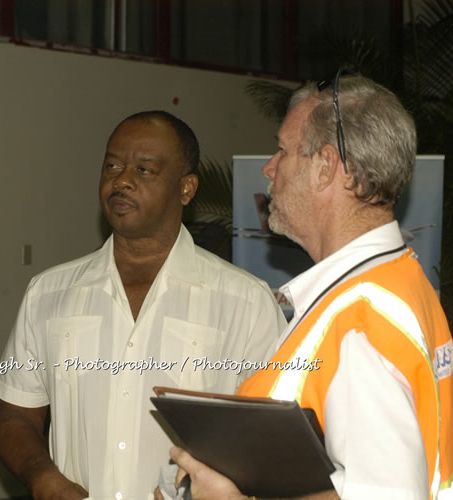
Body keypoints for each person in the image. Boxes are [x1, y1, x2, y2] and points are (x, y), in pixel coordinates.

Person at [166, 74, 452, 499]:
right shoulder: (398, 282)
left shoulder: (360, 323)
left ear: (325, 167)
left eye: (282, 150)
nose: (269, 168)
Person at [0, 110, 287, 499]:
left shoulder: (245, 302)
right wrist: (42, 476)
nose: (122, 180)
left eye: (144, 170)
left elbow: (273, 441)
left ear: (186, 189)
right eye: (112, 165)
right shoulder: (48, 293)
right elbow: (16, 413)